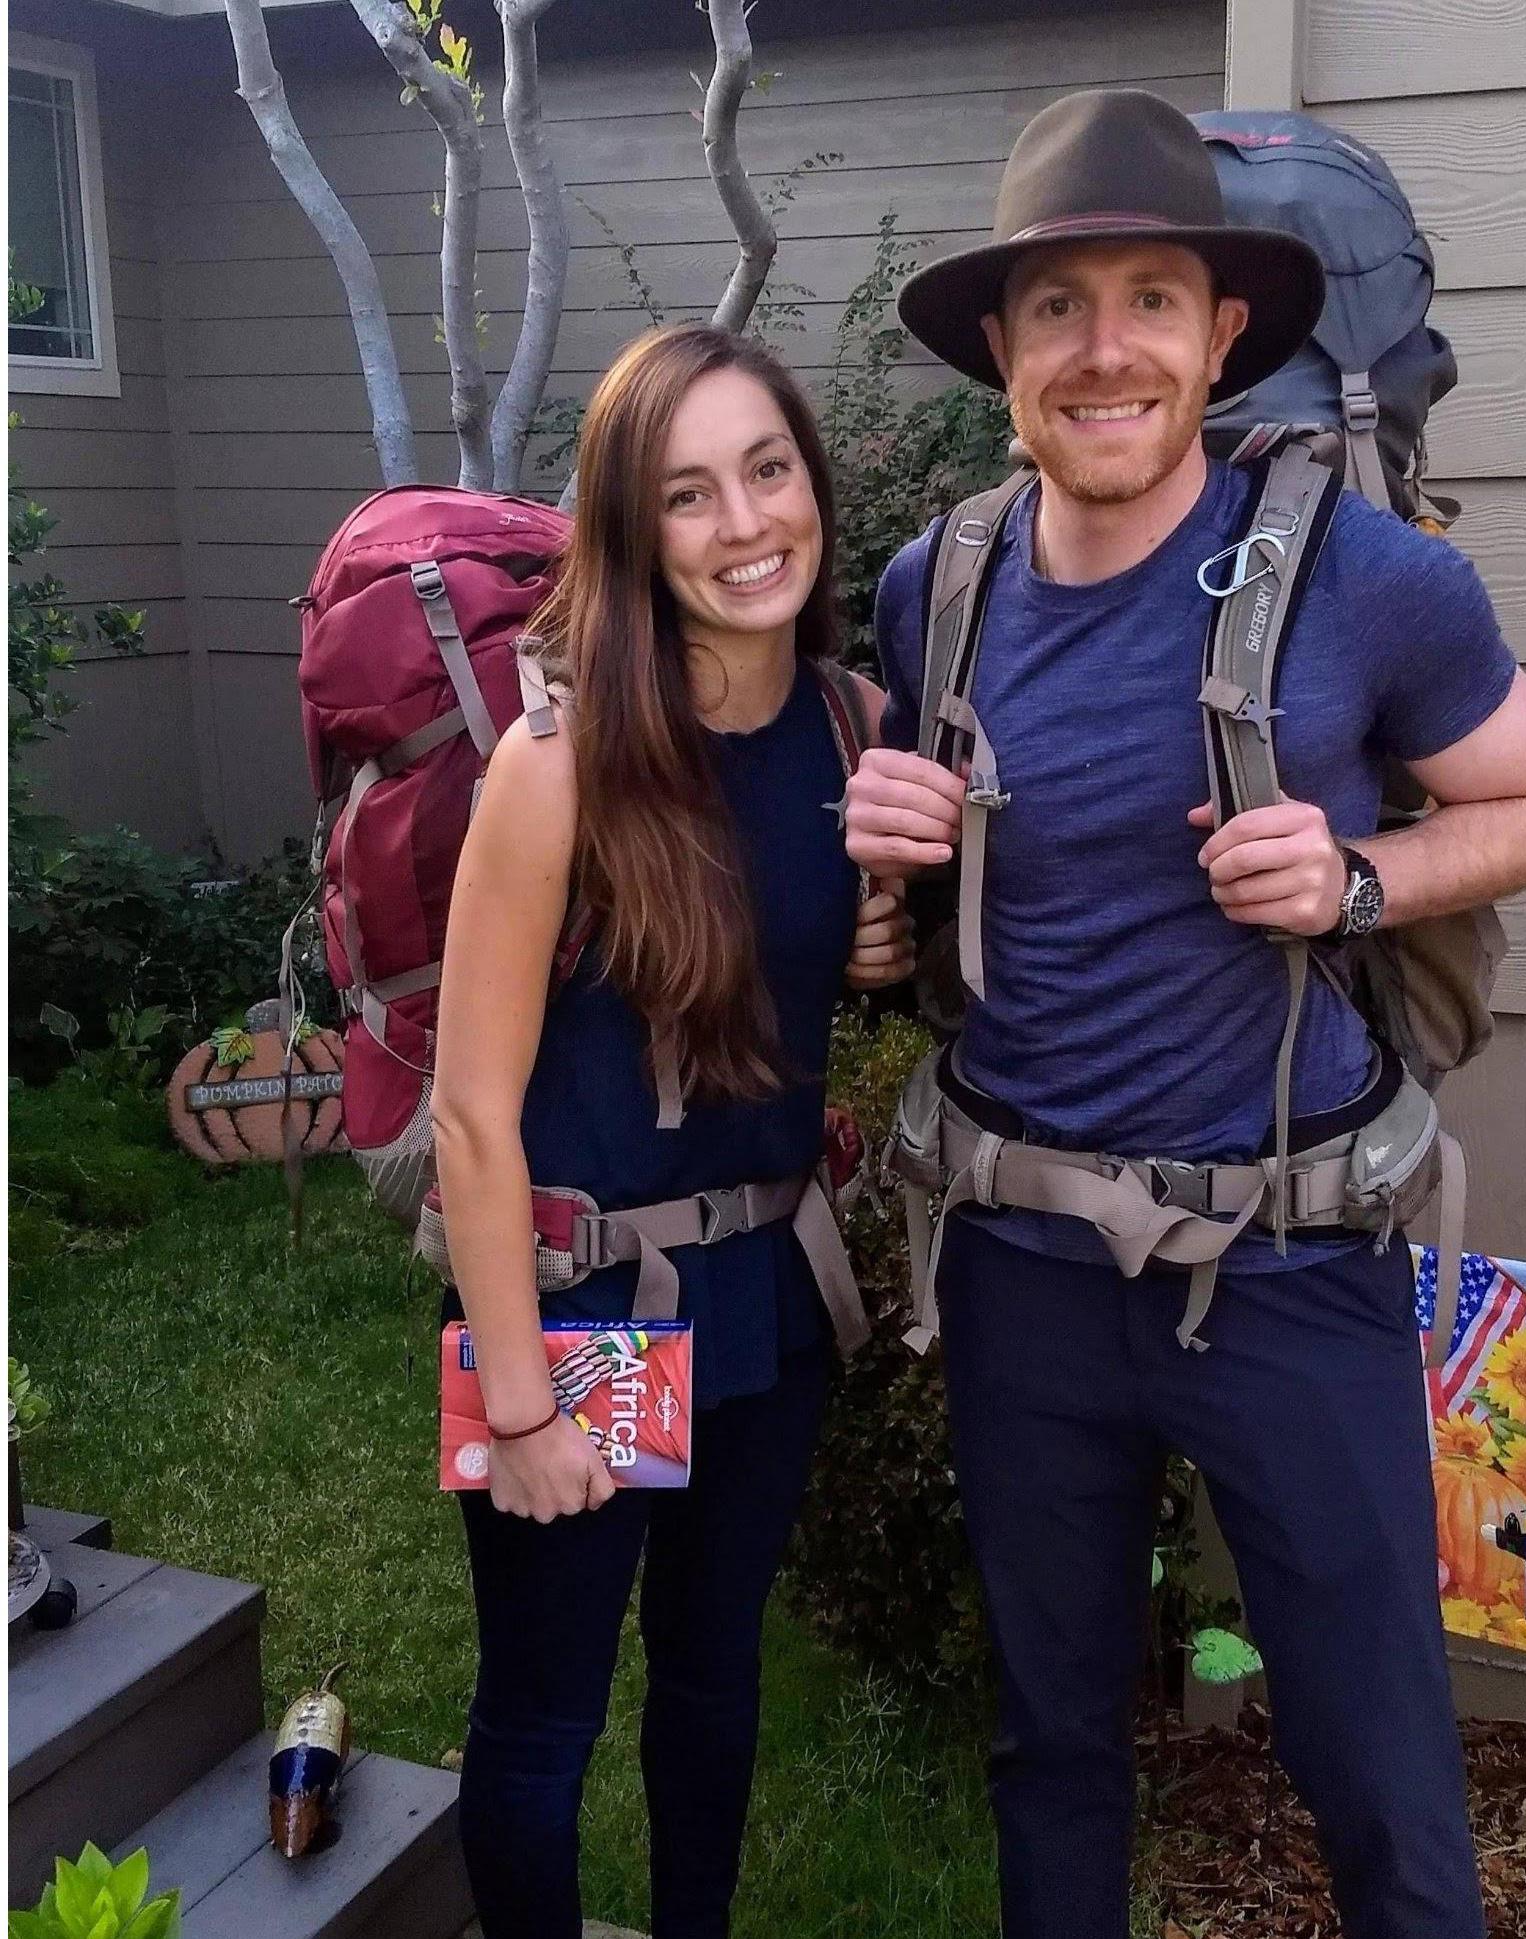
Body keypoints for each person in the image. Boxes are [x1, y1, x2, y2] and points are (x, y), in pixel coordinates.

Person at [843, 89, 1526, 1939]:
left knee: (1378, 1761)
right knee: (1051, 1745)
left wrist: (1355, 879)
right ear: (1002, 351)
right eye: (1058, 306)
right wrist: (875, 878)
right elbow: (927, 914)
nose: (1105, 350)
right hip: (1019, 1262)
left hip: (1290, 1260)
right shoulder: (934, 589)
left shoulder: (1368, 576)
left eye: (1151, 301)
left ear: (1221, 332)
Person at [430, 322, 911, 1939]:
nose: (745, 523)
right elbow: (470, 1112)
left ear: (813, 483)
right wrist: (520, 1405)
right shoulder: (559, 761)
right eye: (689, 493)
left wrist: (876, 942)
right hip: (583, 1304)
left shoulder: (853, 724)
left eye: (768, 470)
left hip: (767, 1290)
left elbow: (829, 951)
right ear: (634, 533)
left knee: (714, 1679)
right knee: (546, 1718)